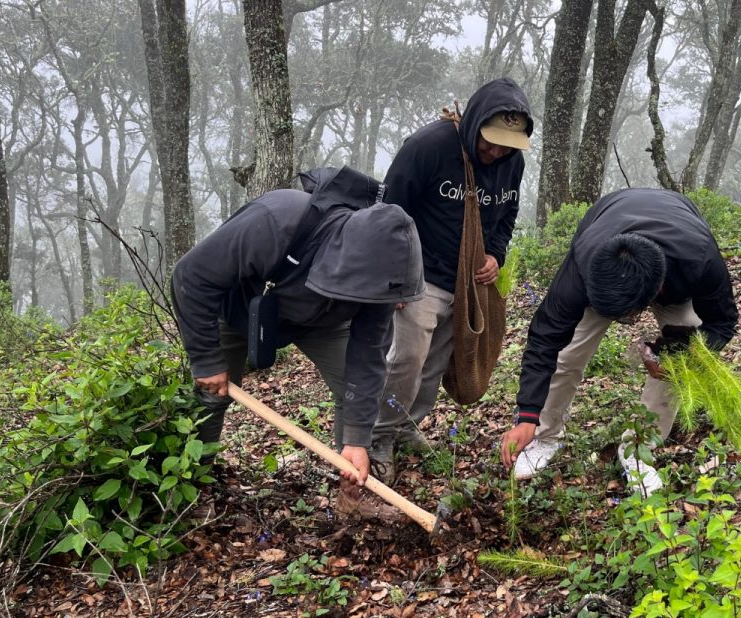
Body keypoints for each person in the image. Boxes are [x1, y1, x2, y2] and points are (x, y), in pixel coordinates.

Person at [171, 167, 425, 487]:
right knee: (212, 395)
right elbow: (190, 276)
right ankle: (193, 481)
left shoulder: (384, 278)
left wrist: (357, 440)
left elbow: (368, 357)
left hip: (324, 319)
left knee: (353, 386)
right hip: (238, 310)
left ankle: (350, 487)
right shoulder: (276, 220)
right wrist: (206, 358)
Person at [499, 188, 739, 494]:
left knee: (682, 356)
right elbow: (545, 338)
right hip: (607, 228)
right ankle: (545, 436)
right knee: (568, 353)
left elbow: (723, 322)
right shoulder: (583, 266)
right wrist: (527, 414)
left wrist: (676, 355)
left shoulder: (699, 259)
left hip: (676, 256)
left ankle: (638, 448)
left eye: (624, 316)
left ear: (656, 292)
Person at [370, 78, 533, 483]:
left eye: (505, 145)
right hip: (417, 278)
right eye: (489, 141)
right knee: (406, 360)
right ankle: (378, 437)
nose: (495, 152)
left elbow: (507, 215)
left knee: (436, 362)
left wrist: (496, 254)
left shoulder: (512, 162)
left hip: (465, 285)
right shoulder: (429, 147)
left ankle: (407, 428)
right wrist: (394, 280)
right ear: (473, 122)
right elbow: (387, 213)